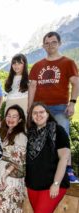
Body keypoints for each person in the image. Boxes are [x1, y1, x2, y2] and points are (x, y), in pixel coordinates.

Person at [22, 102, 70, 213]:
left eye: (41, 112)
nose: (38, 115)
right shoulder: (32, 133)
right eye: (34, 113)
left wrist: (56, 183)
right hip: (33, 185)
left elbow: (64, 158)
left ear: (47, 113)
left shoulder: (58, 130)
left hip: (52, 185)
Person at [28, 31, 79, 183]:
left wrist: (72, 103)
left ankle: (68, 169)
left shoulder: (68, 62)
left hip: (59, 107)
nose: (50, 45)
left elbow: (76, 83)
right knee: (40, 138)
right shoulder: (37, 66)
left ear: (59, 43)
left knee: (62, 135)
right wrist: (30, 109)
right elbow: (32, 88)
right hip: (40, 109)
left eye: (54, 42)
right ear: (43, 45)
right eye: (47, 43)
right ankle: (45, 169)